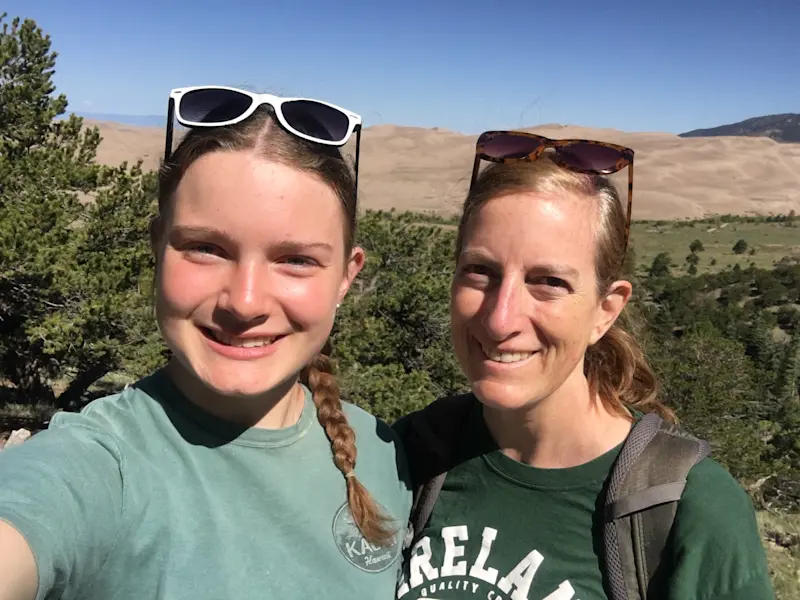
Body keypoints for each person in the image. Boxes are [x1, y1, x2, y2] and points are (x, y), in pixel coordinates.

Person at [0, 86, 411, 599]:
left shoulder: (385, 453)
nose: (244, 301)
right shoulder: (98, 464)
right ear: (158, 247)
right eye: (206, 249)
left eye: (296, 259)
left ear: (346, 278)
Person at [393, 130, 775, 600]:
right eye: (480, 272)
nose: (500, 318)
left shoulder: (690, 510)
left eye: (549, 281)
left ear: (605, 310)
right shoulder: (412, 453)